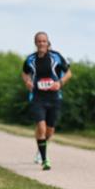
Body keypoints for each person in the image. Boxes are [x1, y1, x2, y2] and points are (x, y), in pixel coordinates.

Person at [22, 33, 71, 171]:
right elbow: (25, 73)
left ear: (47, 42)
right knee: (41, 128)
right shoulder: (30, 59)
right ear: (35, 43)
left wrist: (60, 83)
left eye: (44, 41)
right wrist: (27, 82)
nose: (41, 43)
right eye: (39, 41)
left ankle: (40, 149)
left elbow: (68, 73)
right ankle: (45, 160)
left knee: (50, 130)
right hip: (37, 97)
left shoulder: (56, 57)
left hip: (54, 97)